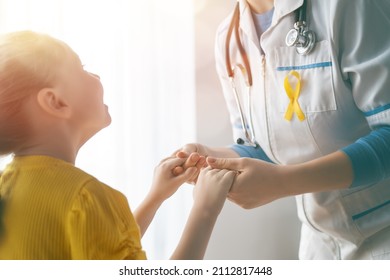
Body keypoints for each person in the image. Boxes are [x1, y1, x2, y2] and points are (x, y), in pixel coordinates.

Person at [173, 0, 390, 259]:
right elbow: (264, 146)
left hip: (381, 232)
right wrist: (210, 158)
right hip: (319, 244)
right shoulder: (228, 38)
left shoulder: (347, 6)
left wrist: (282, 182)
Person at [0, 30, 236, 260]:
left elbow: (102, 246)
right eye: (82, 69)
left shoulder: (7, 189)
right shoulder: (85, 198)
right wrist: (205, 209)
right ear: (56, 102)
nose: (97, 77)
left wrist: (156, 196)